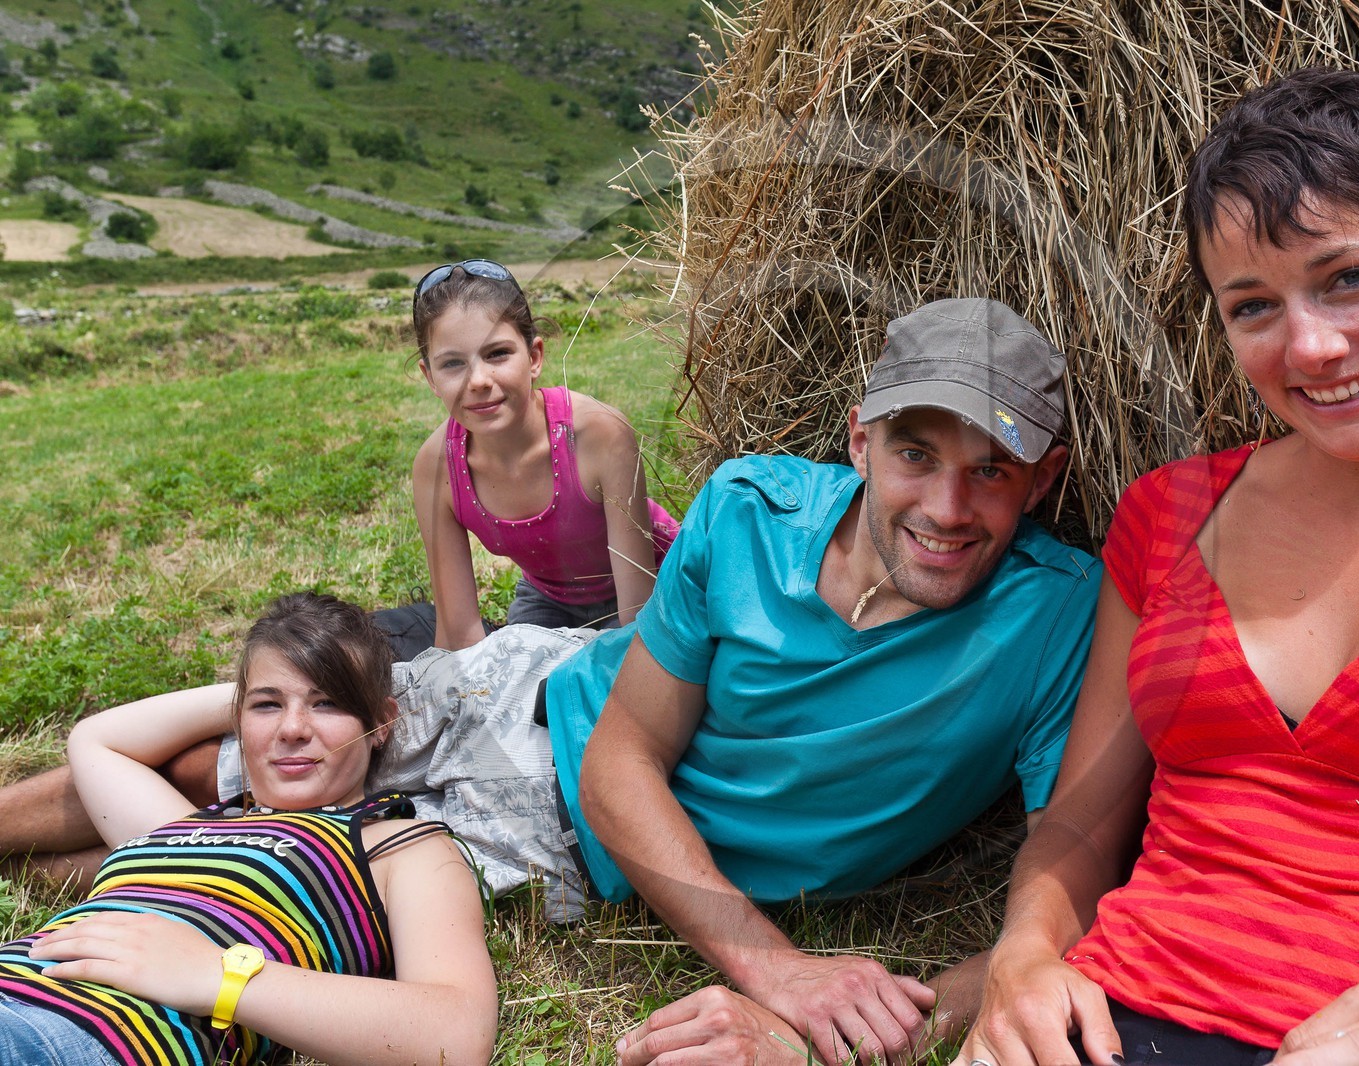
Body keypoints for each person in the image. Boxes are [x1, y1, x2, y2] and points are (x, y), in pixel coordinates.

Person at [0, 298, 1103, 1065]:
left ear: (1042, 475)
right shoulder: (751, 508)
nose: (949, 508)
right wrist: (777, 969)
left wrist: (874, 1016)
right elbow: (625, 758)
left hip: (554, 843)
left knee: (275, 876)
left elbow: (1068, 884)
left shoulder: (1057, 618)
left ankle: (107, 920)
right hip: (529, 692)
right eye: (917, 452)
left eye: (992, 469)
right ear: (861, 440)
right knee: (212, 764)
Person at [955, 67, 1359, 1066]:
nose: (1310, 345)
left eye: (1350, 278)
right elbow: (1077, 828)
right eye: (1253, 306)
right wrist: (1026, 954)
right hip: (1126, 1022)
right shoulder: (1170, 514)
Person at [0, 593, 496, 1066]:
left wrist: (221, 976)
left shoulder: (397, 845)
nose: (293, 729)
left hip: (84, 1034)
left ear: (381, 722)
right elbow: (96, 740)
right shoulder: (181, 827)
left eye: (327, 702)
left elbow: (456, 1034)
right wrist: (249, 690)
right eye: (267, 706)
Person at [411, 258, 678, 646]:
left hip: (655, 587)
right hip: (549, 600)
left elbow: (638, 618)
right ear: (430, 377)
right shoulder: (436, 467)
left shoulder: (600, 434)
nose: (479, 381)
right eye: (452, 364)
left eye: (497, 354)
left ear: (534, 357)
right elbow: (458, 632)